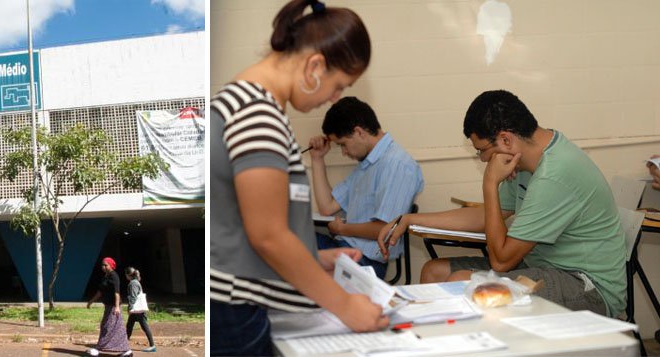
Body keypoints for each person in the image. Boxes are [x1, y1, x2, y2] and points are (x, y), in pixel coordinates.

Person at [210, 1, 389, 355]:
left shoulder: (246, 101)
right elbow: (269, 235)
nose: (334, 98)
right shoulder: (257, 113)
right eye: (339, 85)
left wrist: (314, 257)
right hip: (232, 310)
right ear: (315, 66)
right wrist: (347, 307)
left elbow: (241, 225)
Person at [379, 90, 626, 317]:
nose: (483, 159)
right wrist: (410, 219)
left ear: (505, 140)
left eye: (481, 151)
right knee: (434, 272)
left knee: (465, 282)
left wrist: (489, 184)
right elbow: (487, 216)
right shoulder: (523, 160)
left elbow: (501, 261)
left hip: (587, 288)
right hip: (541, 267)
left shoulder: (554, 175)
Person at [308, 96, 423, 279]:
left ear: (359, 132)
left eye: (343, 145)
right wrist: (317, 158)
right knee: (286, 240)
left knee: (287, 251)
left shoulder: (397, 164)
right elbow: (327, 206)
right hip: (345, 249)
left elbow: (385, 229)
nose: (344, 153)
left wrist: (342, 229)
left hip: (365, 263)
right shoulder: (368, 164)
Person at [85, 257, 132, 357]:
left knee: (108, 327)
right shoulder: (106, 276)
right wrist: (91, 301)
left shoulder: (114, 276)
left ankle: (98, 349)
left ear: (111, 266)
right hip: (108, 306)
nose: (103, 267)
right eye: (102, 265)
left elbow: (117, 292)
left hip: (113, 307)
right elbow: (100, 291)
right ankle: (126, 351)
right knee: (115, 328)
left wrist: (117, 307)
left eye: (105, 265)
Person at [124, 267, 156, 353]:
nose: (125, 276)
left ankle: (152, 346)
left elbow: (133, 297)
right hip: (137, 310)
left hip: (137, 309)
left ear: (128, 275)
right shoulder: (135, 282)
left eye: (125, 274)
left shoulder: (132, 283)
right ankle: (124, 344)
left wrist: (130, 308)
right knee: (129, 325)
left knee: (144, 326)